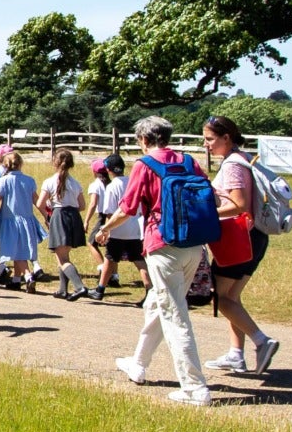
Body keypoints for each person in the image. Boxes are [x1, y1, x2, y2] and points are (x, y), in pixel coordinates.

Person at [110, 115, 218, 406]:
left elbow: (128, 208)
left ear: (144, 139)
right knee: (158, 304)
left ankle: (195, 388)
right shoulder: (188, 161)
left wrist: (105, 228)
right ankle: (139, 363)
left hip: (162, 244)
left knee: (175, 316)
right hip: (194, 244)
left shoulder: (144, 165)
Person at [201, 116, 280, 376]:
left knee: (221, 297)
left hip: (239, 240)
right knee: (232, 297)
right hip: (255, 237)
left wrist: (207, 215)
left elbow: (239, 205)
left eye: (210, 139)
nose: (206, 144)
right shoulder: (244, 158)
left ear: (226, 137)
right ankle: (236, 354)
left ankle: (261, 340)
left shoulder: (233, 165)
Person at [0, 147, 45, 290]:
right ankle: (16, 279)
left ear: (5, 165)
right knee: (22, 248)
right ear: (20, 164)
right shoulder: (29, 180)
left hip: (9, 220)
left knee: (15, 250)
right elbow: (36, 201)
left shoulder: (3, 181)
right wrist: (46, 215)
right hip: (27, 219)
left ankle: (27, 276)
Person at [37, 147, 89, 300]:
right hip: (73, 216)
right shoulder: (76, 183)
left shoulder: (49, 181)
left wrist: (48, 216)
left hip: (59, 215)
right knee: (63, 254)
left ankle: (79, 286)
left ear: (55, 163)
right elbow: (82, 206)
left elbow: (40, 204)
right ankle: (62, 289)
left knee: (62, 258)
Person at [92, 153, 142, 294]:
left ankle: (100, 289)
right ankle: (149, 287)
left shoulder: (112, 186)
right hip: (134, 228)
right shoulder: (132, 182)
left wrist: (105, 230)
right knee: (138, 259)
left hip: (118, 229)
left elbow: (109, 212)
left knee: (110, 258)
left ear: (108, 170)